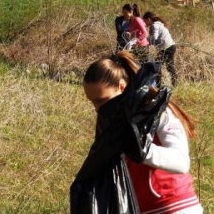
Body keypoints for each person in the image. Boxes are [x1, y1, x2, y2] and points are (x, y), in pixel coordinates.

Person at [83, 51, 202, 214]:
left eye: (101, 100)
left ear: (121, 88)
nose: (97, 109)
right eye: (92, 102)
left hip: (177, 207)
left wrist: (144, 151)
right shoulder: (111, 126)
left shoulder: (157, 111)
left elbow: (181, 162)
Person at [143, 11, 177, 86]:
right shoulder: (160, 24)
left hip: (166, 48)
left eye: (145, 21)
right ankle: (174, 84)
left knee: (157, 66)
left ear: (148, 19)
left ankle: (158, 85)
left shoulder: (154, 25)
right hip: (170, 46)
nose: (145, 24)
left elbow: (154, 37)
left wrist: (146, 40)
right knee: (169, 66)